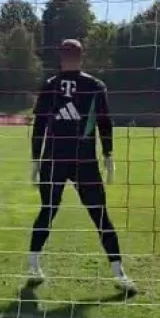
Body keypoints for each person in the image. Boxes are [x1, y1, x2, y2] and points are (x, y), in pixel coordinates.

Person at [29, 39, 136, 294]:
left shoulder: (50, 86)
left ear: (60, 56)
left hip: (54, 160)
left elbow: (39, 127)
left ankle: (33, 265)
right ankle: (119, 273)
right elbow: (105, 124)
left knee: (49, 211)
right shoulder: (94, 85)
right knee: (99, 215)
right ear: (82, 56)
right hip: (83, 161)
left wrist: (35, 159)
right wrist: (109, 155)